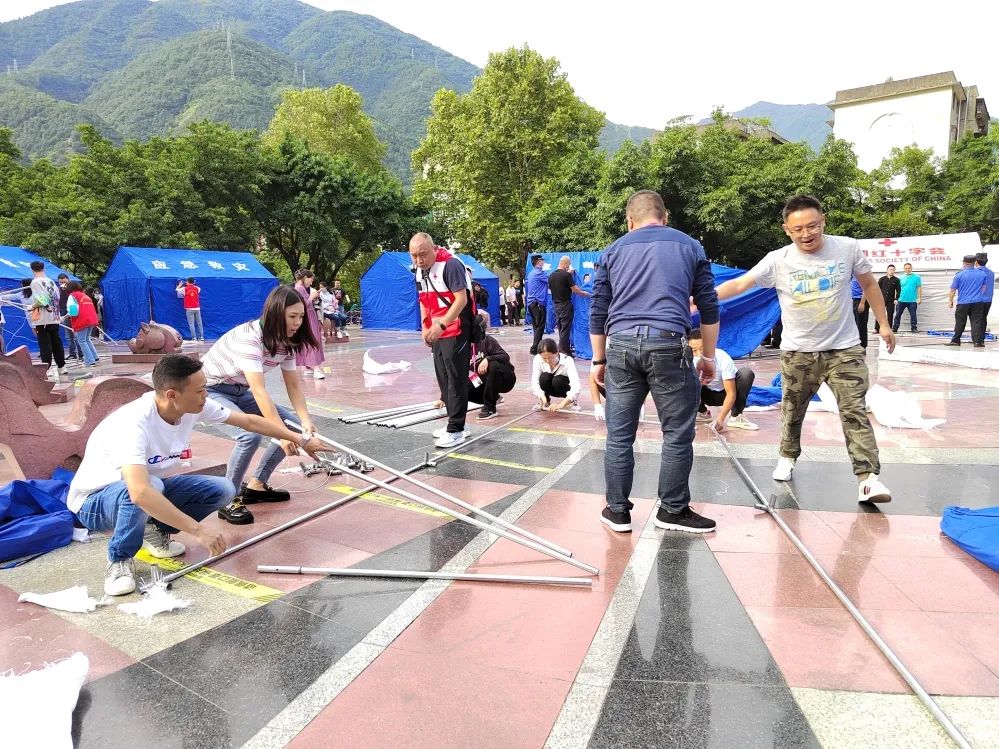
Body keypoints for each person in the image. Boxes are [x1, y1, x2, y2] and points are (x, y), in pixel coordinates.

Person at [68, 354, 324, 595]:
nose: (206, 395)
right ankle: (119, 559)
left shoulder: (192, 406)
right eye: (200, 390)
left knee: (224, 489)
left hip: (148, 488)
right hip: (95, 502)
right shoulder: (134, 423)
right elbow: (139, 492)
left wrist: (300, 439)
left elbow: (249, 422)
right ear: (172, 394)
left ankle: (153, 530)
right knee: (149, 488)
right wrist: (199, 531)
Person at [716, 194, 896, 504]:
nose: (806, 234)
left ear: (823, 221)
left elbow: (869, 284)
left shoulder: (847, 248)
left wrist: (884, 323)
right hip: (798, 352)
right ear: (787, 229)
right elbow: (741, 284)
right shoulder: (778, 259)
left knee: (854, 410)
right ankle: (787, 455)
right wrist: (703, 298)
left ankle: (868, 479)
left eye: (813, 226)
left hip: (844, 348)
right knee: (793, 409)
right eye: (798, 229)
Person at [590, 190, 719, 534]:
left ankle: (617, 511)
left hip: (620, 345)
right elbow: (709, 307)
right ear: (665, 217)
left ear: (629, 221)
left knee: (619, 435)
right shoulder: (690, 246)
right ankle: (672, 510)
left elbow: (598, 310)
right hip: (669, 343)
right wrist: (707, 357)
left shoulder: (612, 250)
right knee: (676, 433)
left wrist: (598, 359)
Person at [200, 285, 324, 525]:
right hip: (210, 390)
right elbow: (259, 390)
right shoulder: (250, 338)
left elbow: (293, 385)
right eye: (292, 316)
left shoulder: (287, 342)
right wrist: (282, 434)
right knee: (249, 436)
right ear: (276, 314)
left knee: (295, 427)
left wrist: (305, 420)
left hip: (240, 390)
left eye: (301, 316)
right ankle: (228, 498)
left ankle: (257, 485)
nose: (298, 323)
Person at [410, 233, 475, 448]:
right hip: (437, 327)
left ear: (434, 249)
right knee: (442, 375)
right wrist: (425, 326)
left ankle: (456, 429)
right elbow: (423, 300)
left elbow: (461, 299)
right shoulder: (419, 271)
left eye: (423, 254)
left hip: (456, 327)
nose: (419, 260)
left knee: (456, 377)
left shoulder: (451, 265)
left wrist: (442, 325)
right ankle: (455, 424)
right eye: (414, 256)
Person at [688, 328, 758, 431]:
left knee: (746, 373)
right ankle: (701, 412)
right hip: (706, 394)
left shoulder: (722, 358)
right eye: (694, 350)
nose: (699, 354)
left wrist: (721, 418)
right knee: (683, 380)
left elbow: (731, 392)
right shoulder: (690, 360)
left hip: (725, 394)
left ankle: (735, 416)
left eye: (702, 348)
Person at [468, 319, 516, 420]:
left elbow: (505, 356)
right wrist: (444, 398)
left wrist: (488, 359)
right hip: (483, 380)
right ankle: (495, 397)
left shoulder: (487, 340)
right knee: (464, 388)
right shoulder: (463, 349)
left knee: (492, 366)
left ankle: (490, 408)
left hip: (505, 378)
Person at [28, 261, 66, 379]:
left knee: (45, 344)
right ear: (43, 268)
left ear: (32, 270)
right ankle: (62, 366)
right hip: (55, 317)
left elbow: (41, 299)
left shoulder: (35, 282)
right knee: (56, 342)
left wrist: (32, 307)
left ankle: (47, 368)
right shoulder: (51, 281)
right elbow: (57, 297)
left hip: (43, 318)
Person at [548, 256, 590, 356]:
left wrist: (569, 273)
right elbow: (575, 290)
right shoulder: (566, 275)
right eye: (568, 265)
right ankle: (562, 352)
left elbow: (557, 284)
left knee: (561, 328)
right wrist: (585, 293)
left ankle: (567, 351)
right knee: (565, 330)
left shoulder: (551, 275)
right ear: (566, 263)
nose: (568, 267)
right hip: (565, 305)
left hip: (556, 305)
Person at [946, 255, 989, 347]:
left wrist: (950, 301)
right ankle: (977, 342)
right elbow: (984, 287)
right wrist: (979, 295)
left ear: (964, 263)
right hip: (978, 302)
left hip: (963, 303)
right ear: (975, 262)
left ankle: (956, 340)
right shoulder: (982, 274)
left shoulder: (959, 275)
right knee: (976, 322)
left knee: (960, 322)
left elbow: (953, 289)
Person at [531, 337, 581, 412]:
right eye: (544, 358)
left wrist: (561, 405)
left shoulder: (567, 360)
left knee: (557, 380)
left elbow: (576, 386)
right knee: (544, 378)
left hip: (563, 387)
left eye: (550, 357)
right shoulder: (537, 359)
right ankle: (545, 402)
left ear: (557, 352)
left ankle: (571, 402)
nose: (547, 361)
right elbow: (534, 381)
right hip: (549, 388)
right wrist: (541, 396)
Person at [293, 269, 326, 380]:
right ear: (305, 278)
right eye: (310, 280)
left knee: (308, 341)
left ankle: (308, 366)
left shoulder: (300, 288)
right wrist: (311, 297)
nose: (311, 283)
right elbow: (301, 305)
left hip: (309, 317)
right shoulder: (299, 288)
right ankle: (316, 368)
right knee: (313, 340)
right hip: (308, 318)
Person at [64, 281, 100, 366]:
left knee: (82, 341)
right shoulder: (85, 295)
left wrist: (64, 317)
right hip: (91, 319)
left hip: (82, 320)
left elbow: (73, 312)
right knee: (87, 339)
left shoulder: (72, 296)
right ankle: (95, 357)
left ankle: (90, 361)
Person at [57, 273, 82, 363]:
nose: (62, 284)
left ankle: (81, 354)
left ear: (68, 280)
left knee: (77, 335)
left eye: (64, 282)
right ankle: (72, 354)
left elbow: (75, 306)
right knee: (68, 336)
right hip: (64, 313)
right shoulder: (59, 290)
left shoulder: (74, 289)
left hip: (74, 313)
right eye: (60, 282)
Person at [525, 256, 549, 355]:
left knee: (536, 326)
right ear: (538, 262)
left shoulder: (531, 273)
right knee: (540, 326)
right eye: (542, 260)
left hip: (532, 303)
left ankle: (537, 347)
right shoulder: (539, 273)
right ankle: (535, 348)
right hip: (538, 303)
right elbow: (551, 279)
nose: (543, 262)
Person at [892, 262, 921, 333]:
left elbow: (919, 288)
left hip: (912, 300)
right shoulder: (900, 278)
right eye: (906, 268)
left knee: (913, 315)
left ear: (911, 268)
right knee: (897, 315)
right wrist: (896, 298)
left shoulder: (917, 277)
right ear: (904, 269)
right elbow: (897, 289)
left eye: (909, 268)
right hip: (901, 300)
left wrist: (919, 298)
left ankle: (914, 328)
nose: (908, 269)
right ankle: (895, 328)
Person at [175, 278, 204, 342]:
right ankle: (201, 337)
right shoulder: (198, 288)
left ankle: (194, 338)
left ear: (187, 282)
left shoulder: (184, 289)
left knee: (191, 323)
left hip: (189, 308)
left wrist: (179, 285)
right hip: (197, 308)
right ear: (194, 282)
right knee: (199, 323)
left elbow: (176, 290)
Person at [874, 265, 900, 334]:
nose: (891, 271)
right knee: (879, 314)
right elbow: (877, 289)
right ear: (887, 270)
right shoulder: (882, 279)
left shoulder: (896, 280)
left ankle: (889, 329)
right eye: (890, 269)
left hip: (891, 300)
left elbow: (898, 290)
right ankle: (876, 328)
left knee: (890, 314)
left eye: (893, 270)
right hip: (881, 299)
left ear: (894, 271)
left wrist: (896, 299)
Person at [977, 252, 994, 328]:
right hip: (988, 299)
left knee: (977, 320)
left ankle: (978, 335)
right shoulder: (991, 273)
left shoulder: (976, 272)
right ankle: (982, 333)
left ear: (976, 262)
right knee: (983, 318)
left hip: (978, 300)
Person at [851, 278, 869, 349]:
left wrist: (862, 303)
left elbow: (866, 288)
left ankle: (862, 345)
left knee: (861, 324)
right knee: (854, 324)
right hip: (852, 300)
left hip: (860, 300)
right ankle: (855, 343)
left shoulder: (860, 275)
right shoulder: (850, 275)